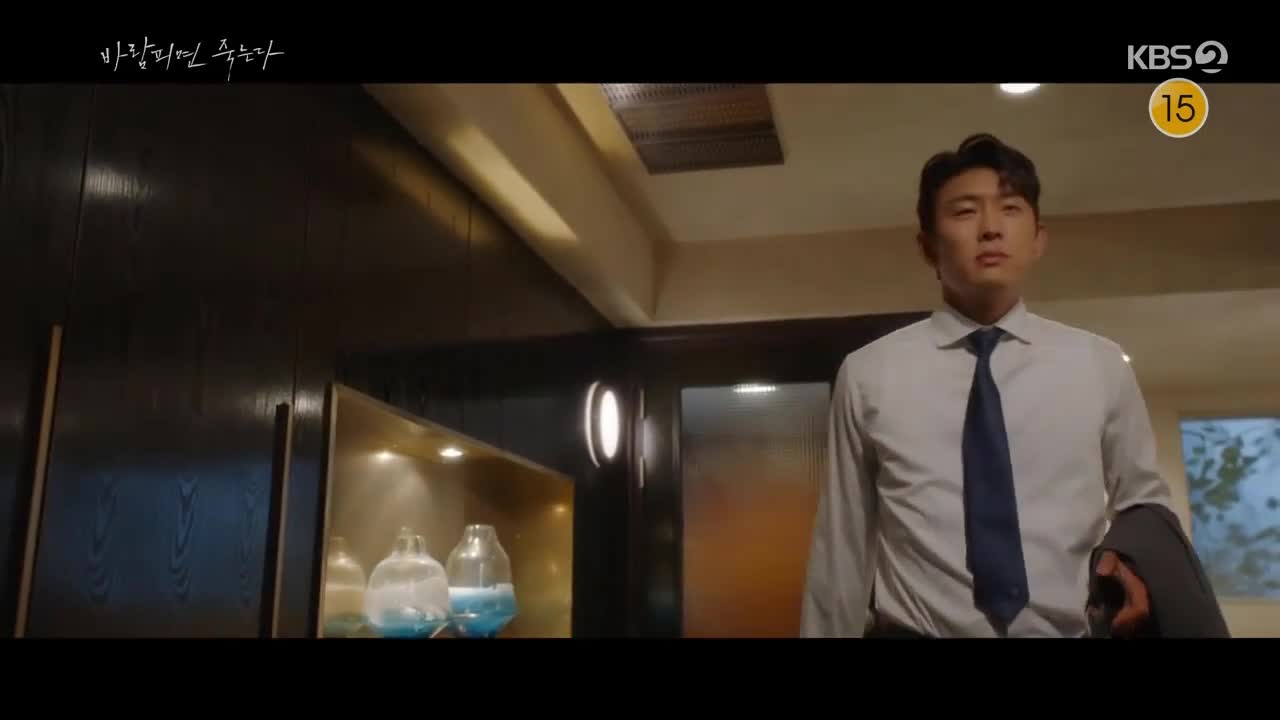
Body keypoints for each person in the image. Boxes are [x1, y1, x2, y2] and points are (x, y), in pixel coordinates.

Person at [799, 133, 1174, 638]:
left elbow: (1143, 505)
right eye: (965, 211)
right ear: (927, 245)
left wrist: (1144, 579)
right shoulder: (870, 373)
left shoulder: (1098, 363)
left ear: (1038, 239)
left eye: (1010, 209)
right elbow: (842, 543)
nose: (991, 228)